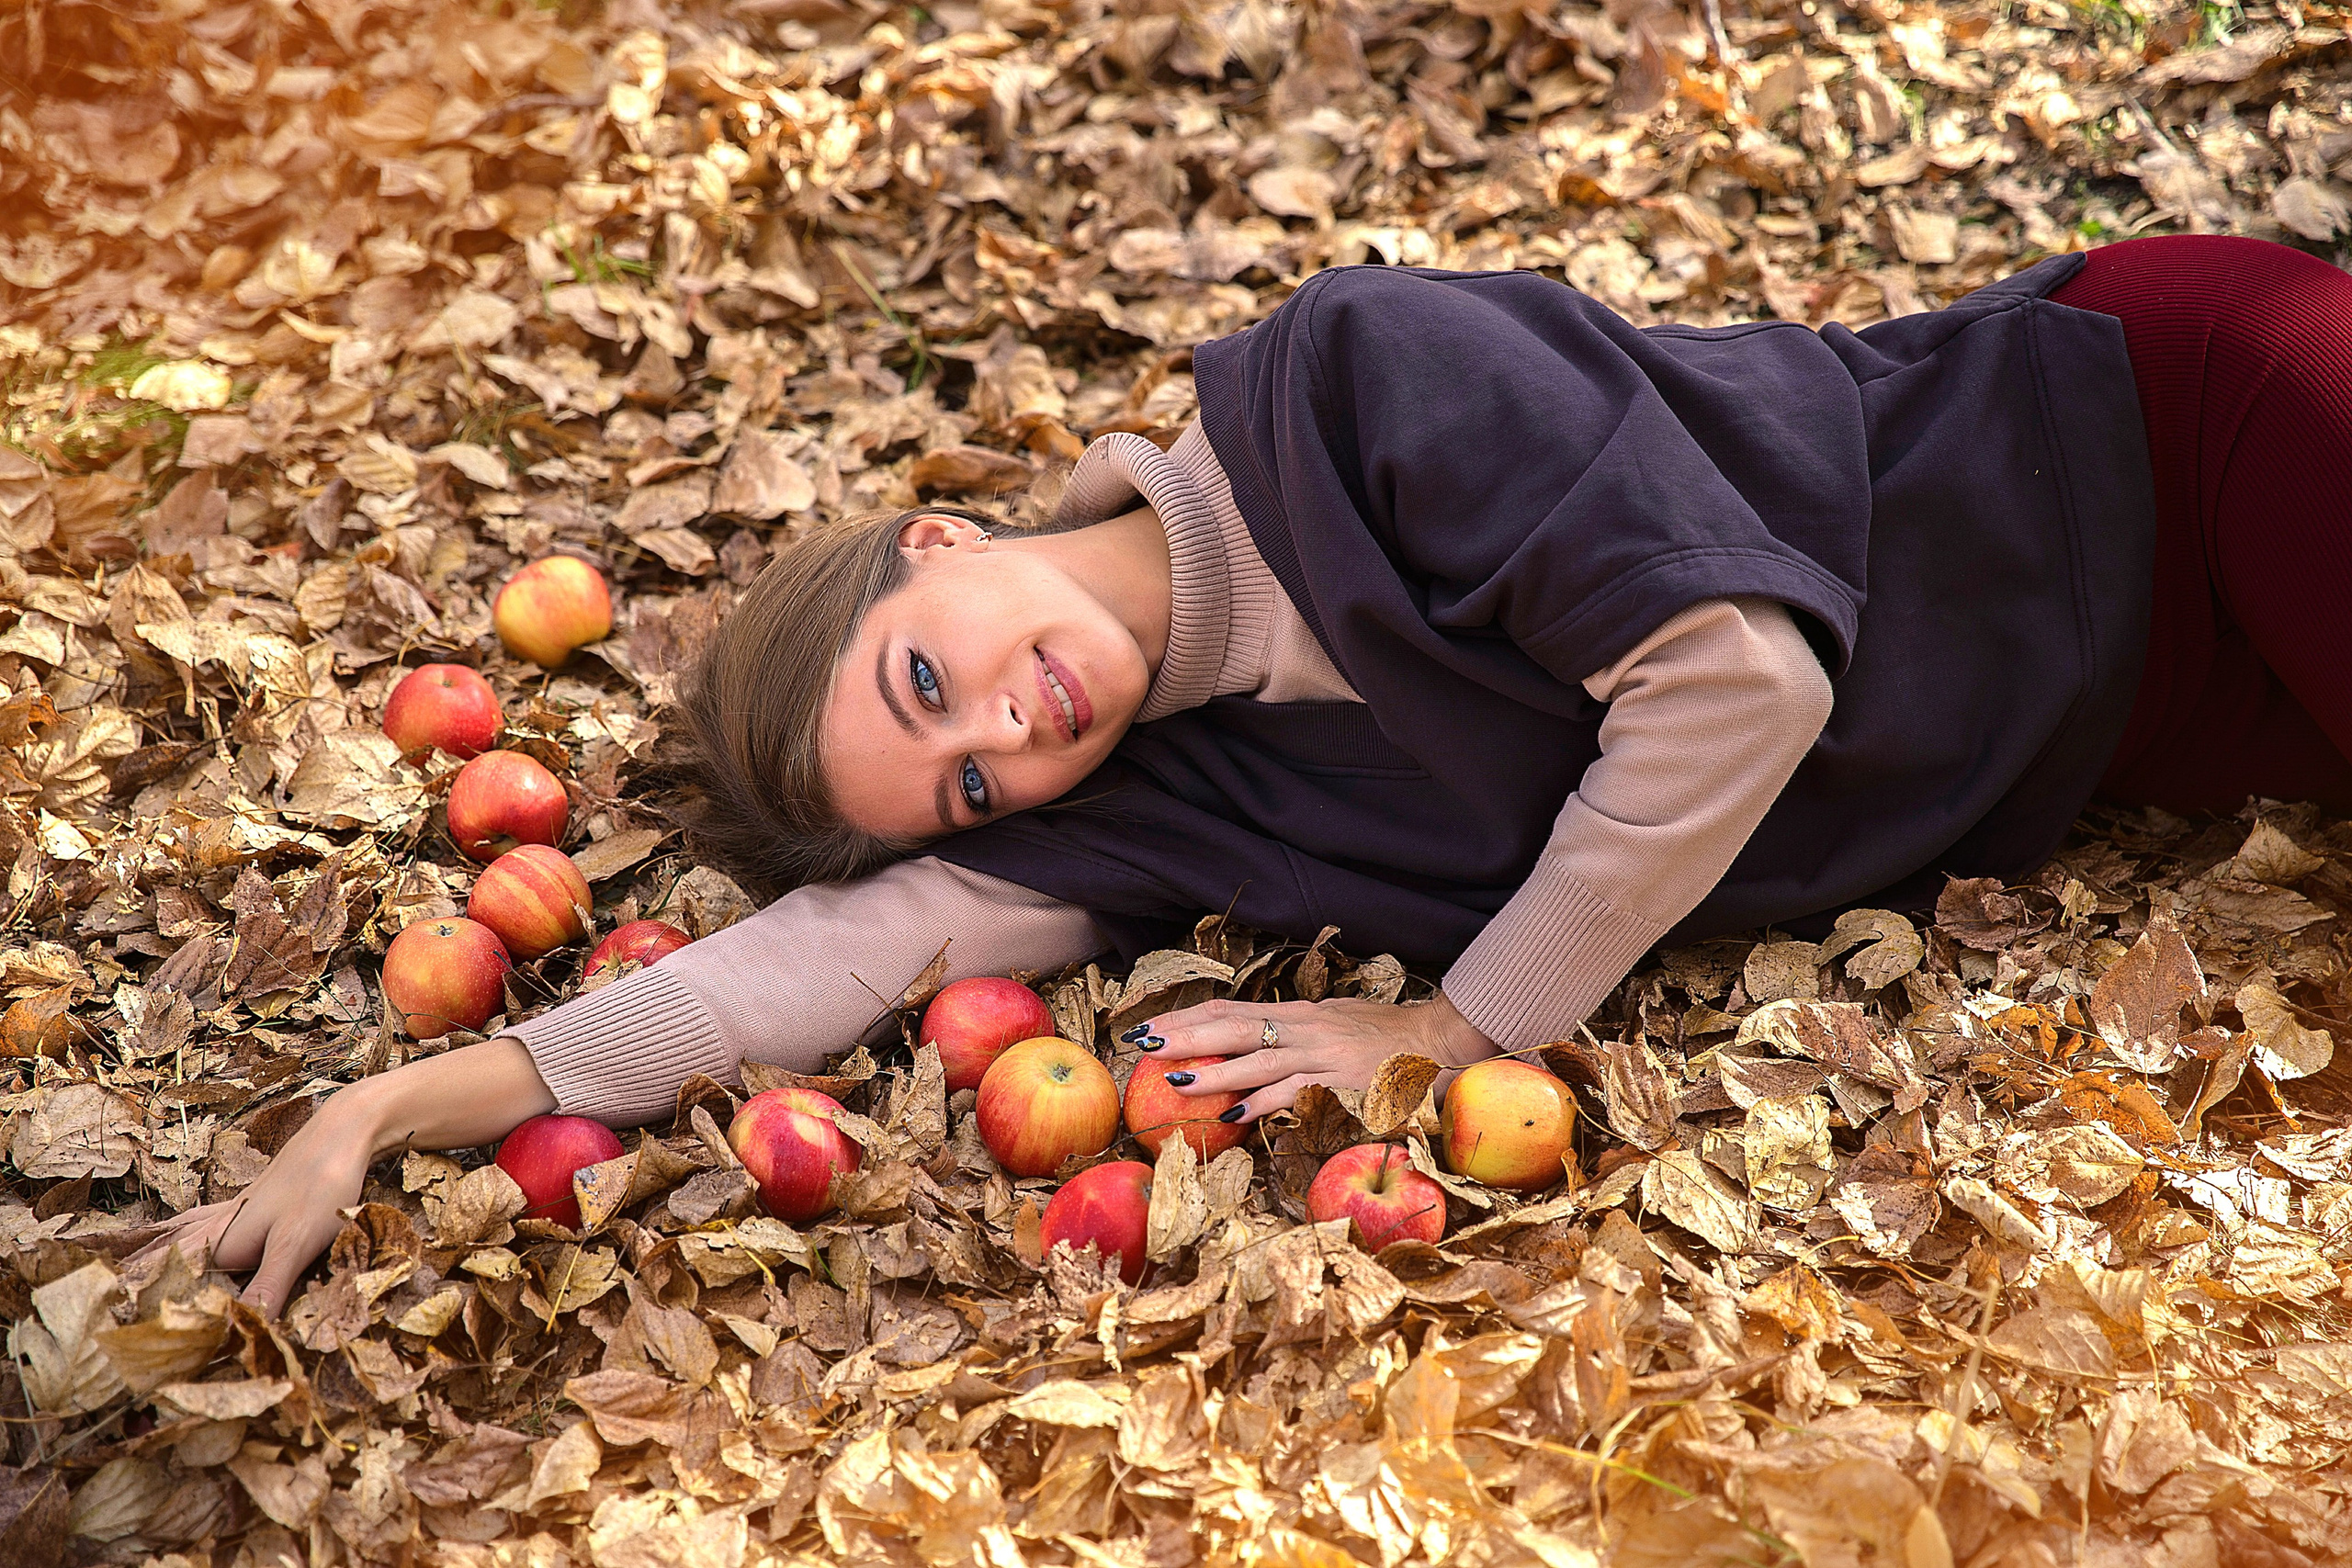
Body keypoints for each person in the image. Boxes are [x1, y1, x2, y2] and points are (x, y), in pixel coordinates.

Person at [143, 233, 2352, 1314]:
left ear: (945, 537)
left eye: (929, 676)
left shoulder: (1356, 384)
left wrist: (1454, 1023)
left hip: (2161, 437)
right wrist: (381, 1106)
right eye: (965, 788)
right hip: (2134, 729)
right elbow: (806, 971)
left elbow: (1740, 678)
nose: (1004, 735)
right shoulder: (1167, 797)